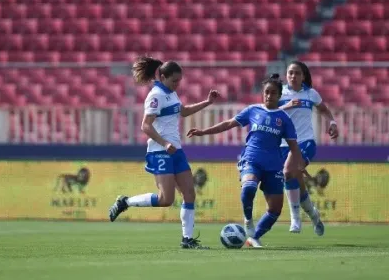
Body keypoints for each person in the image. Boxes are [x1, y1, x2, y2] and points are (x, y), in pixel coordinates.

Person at [108, 56, 220, 249]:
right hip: (160, 151)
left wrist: (207, 102)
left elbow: (182, 111)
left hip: (176, 150)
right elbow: (145, 126)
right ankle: (125, 201)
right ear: (163, 77)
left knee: (190, 194)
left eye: (179, 81)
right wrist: (165, 143)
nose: (177, 84)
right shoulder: (155, 96)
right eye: (174, 80)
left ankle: (187, 239)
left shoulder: (171, 93)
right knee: (165, 199)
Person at [188, 74, 304, 248]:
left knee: (275, 209)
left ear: (279, 96)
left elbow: (294, 146)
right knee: (248, 188)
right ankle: (248, 219)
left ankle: (254, 237)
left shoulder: (284, 119)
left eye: (273, 93)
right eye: (266, 92)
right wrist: (204, 132)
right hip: (251, 159)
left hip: (273, 166)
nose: (269, 96)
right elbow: (228, 124)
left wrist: (299, 164)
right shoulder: (252, 110)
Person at [279, 61, 339, 235]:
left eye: (297, 73)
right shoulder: (280, 92)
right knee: (297, 181)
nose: (293, 76)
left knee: (288, 172)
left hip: (305, 142)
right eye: (290, 73)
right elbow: (269, 112)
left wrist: (332, 122)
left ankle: (295, 218)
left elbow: (324, 110)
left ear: (303, 76)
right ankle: (314, 216)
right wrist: (287, 106)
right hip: (282, 145)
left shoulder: (310, 94)